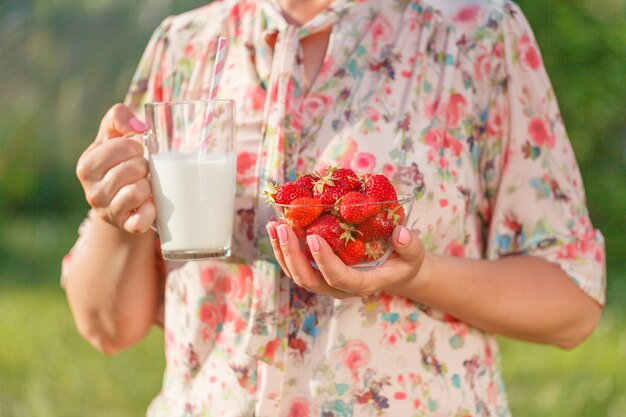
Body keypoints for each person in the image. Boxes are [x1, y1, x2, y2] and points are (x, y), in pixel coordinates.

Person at [62, 0, 606, 415]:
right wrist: (119, 215)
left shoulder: (473, 30)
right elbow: (108, 328)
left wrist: (417, 274)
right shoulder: (184, 44)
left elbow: (573, 304)